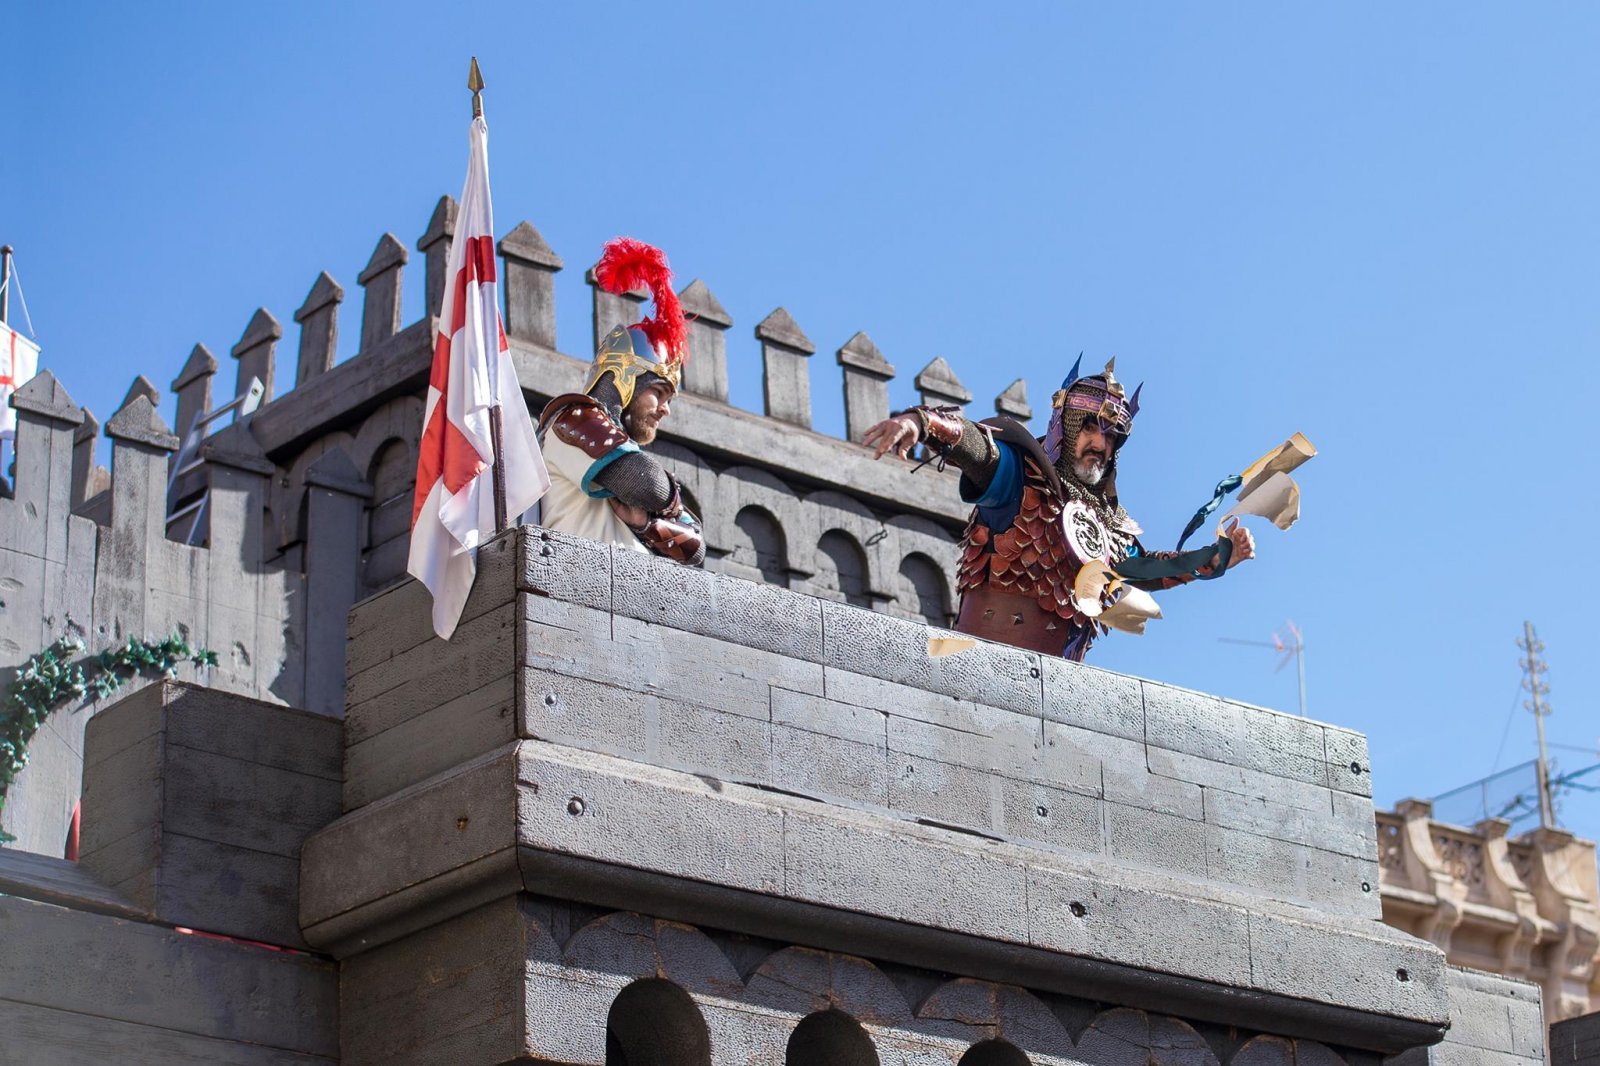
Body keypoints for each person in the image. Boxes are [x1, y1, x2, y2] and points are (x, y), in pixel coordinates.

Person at [862, 357, 1254, 661]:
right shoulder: (1023, 479)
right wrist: (924, 423)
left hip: (1058, 684)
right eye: (1089, 428)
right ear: (1064, 429)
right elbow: (982, 451)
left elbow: (1147, 568)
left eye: (1111, 436)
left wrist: (1218, 556)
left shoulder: (1110, 526)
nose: (1100, 444)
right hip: (980, 666)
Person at [537, 238, 704, 566]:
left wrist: (645, 523)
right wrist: (669, 510)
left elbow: (695, 550)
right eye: (658, 392)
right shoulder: (572, 419)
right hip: (575, 581)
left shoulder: (623, 451)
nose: (665, 409)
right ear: (625, 377)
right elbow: (647, 484)